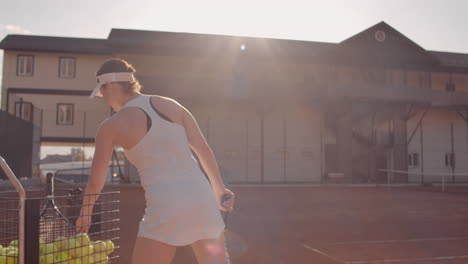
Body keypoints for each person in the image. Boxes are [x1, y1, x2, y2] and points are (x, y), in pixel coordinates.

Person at [75, 58, 235, 264]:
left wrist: (85, 214)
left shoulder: (110, 126)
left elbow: (96, 182)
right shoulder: (172, 105)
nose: (104, 98)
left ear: (112, 85)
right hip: (203, 199)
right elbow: (203, 149)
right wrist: (220, 190)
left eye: (102, 91)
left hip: (166, 204)